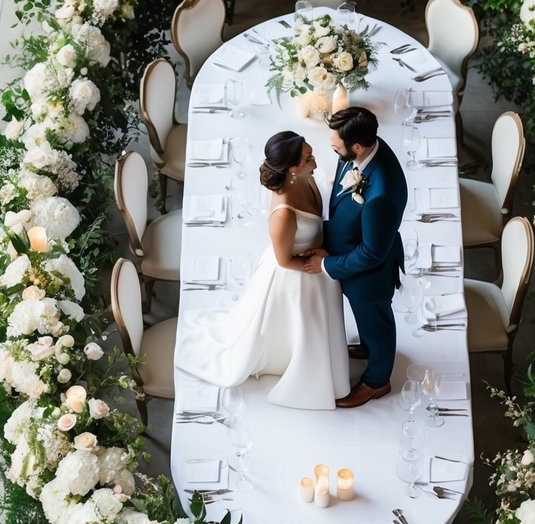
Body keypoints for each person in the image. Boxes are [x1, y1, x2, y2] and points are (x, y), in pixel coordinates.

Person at [175, 131, 350, 409]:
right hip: (299, 278)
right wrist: (319, 263)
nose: (315, 162)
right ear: (292, 168)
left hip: (317, 266)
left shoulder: (306, 177)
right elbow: (283, 261)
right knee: (301, 334)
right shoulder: (284, 213)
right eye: (308, 158)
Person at [303, 106, 408, 408]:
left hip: (367, 274)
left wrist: (325, 264)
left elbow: (371, 252)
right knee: (367, 325)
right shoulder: (368, 147)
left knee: (376, 323)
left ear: (357, 146)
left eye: (337, 147)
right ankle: (365, 347)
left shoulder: (381, 196)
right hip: (351, 244)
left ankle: (377, 381)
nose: (333, 151)